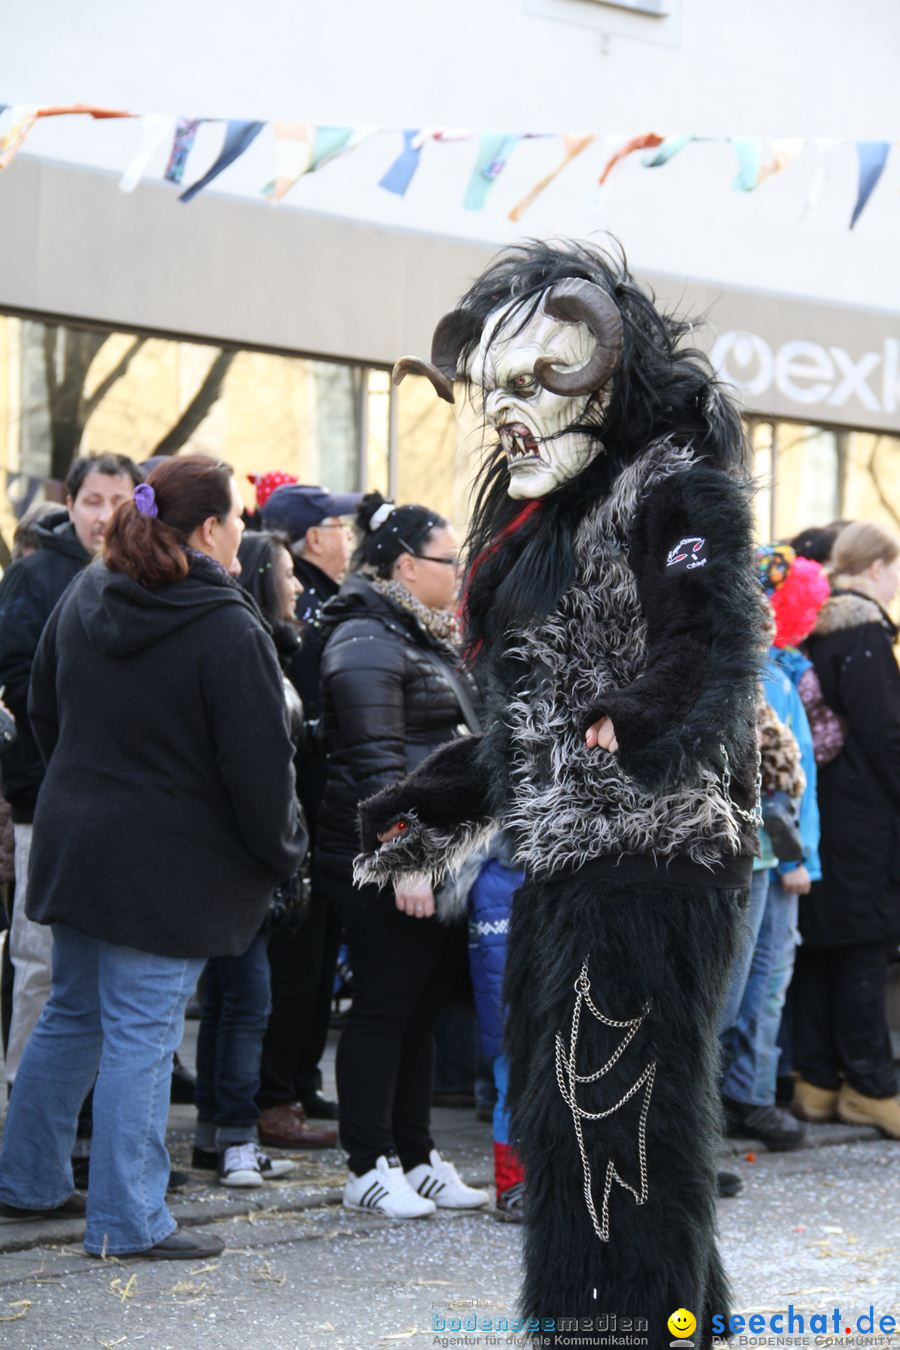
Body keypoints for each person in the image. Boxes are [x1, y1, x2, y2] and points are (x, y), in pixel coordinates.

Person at [355, 242, 764, 1344]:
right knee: (574, 1125)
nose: (510, 414)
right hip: (560, 871)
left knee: (615, 1126)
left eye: (539, 380)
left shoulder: (671, 489)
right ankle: (665, 1325)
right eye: (496, 390)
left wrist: (645, 715)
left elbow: (709, 640)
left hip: (652, 863)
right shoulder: (540, 536)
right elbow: (518, 731)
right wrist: (428, 806)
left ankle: (616, 1331)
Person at [0, 456, 307, 1259]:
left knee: (74, 1014)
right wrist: (283, 854)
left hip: (80, 841)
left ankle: (26, 1182)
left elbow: (41, 704)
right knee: (139, 1030)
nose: (245, 529)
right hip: (167, 864)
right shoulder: (225, 623)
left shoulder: (89, 589)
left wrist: (86, 783)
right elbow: (259, 769)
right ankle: (128, 1221)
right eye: (238, 516)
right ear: (209, 529)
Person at [318, 491, 489, 1219]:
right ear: (407, 565)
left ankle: (415, 1155)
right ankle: (367, 1163)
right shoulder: (365, 638)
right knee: (385, 1009)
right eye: (454, 560)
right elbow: (376, 765)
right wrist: (409, 859)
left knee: (420, 1012)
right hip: (378, 854)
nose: (464, 573)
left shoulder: (421, 635)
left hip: (439, 852)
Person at [0, 453, 142, 1092]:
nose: (104, 514)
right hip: (46, 802)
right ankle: (23, 1120)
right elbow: (19, 679)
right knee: (42, 964)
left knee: (113, 977)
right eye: (92, 500)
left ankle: (85, 1124)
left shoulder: (145, 576)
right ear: (70, 503)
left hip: (128, 809)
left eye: (119, 499)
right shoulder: (34, 576)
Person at [191, 529, 325, 1185]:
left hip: (248, 849)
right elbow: (256, 765)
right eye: (289, 574)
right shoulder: (249, 649)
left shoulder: (270, 647)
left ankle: (217, 1132)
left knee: (230, 998)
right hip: (242, 854)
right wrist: (280, 849)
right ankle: (237, 1136)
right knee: (244, 999)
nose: (298, 586)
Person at [253, 482, 361, 1145]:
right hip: (307, 806)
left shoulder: (329, 601)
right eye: (339, 527)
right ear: (313, 537)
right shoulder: (309, 610)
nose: (348, 539)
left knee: (317, 960)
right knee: (293, 963)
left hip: (324, 809)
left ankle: (298, 1080)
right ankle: (275, 1093)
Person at [792, 520, 900, 1139]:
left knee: (820, 952)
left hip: (822, 815)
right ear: (874, 568)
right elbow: (886, 734)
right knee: (862, 950)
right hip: (862, 821)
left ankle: (817, 1081)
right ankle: (871, 1086)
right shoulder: (862, 632)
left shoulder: (815, 630)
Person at [721, 546, 828, 1150]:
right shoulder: (756, 676)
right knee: (743, 985)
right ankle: (733, 1102)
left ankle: (748, 1093)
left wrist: (802, 855)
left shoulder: (780, 673)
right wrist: (796, 858)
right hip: (760, 854)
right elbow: (780, 780)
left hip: (777, 852)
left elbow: (800, 773)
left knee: (766, 980)